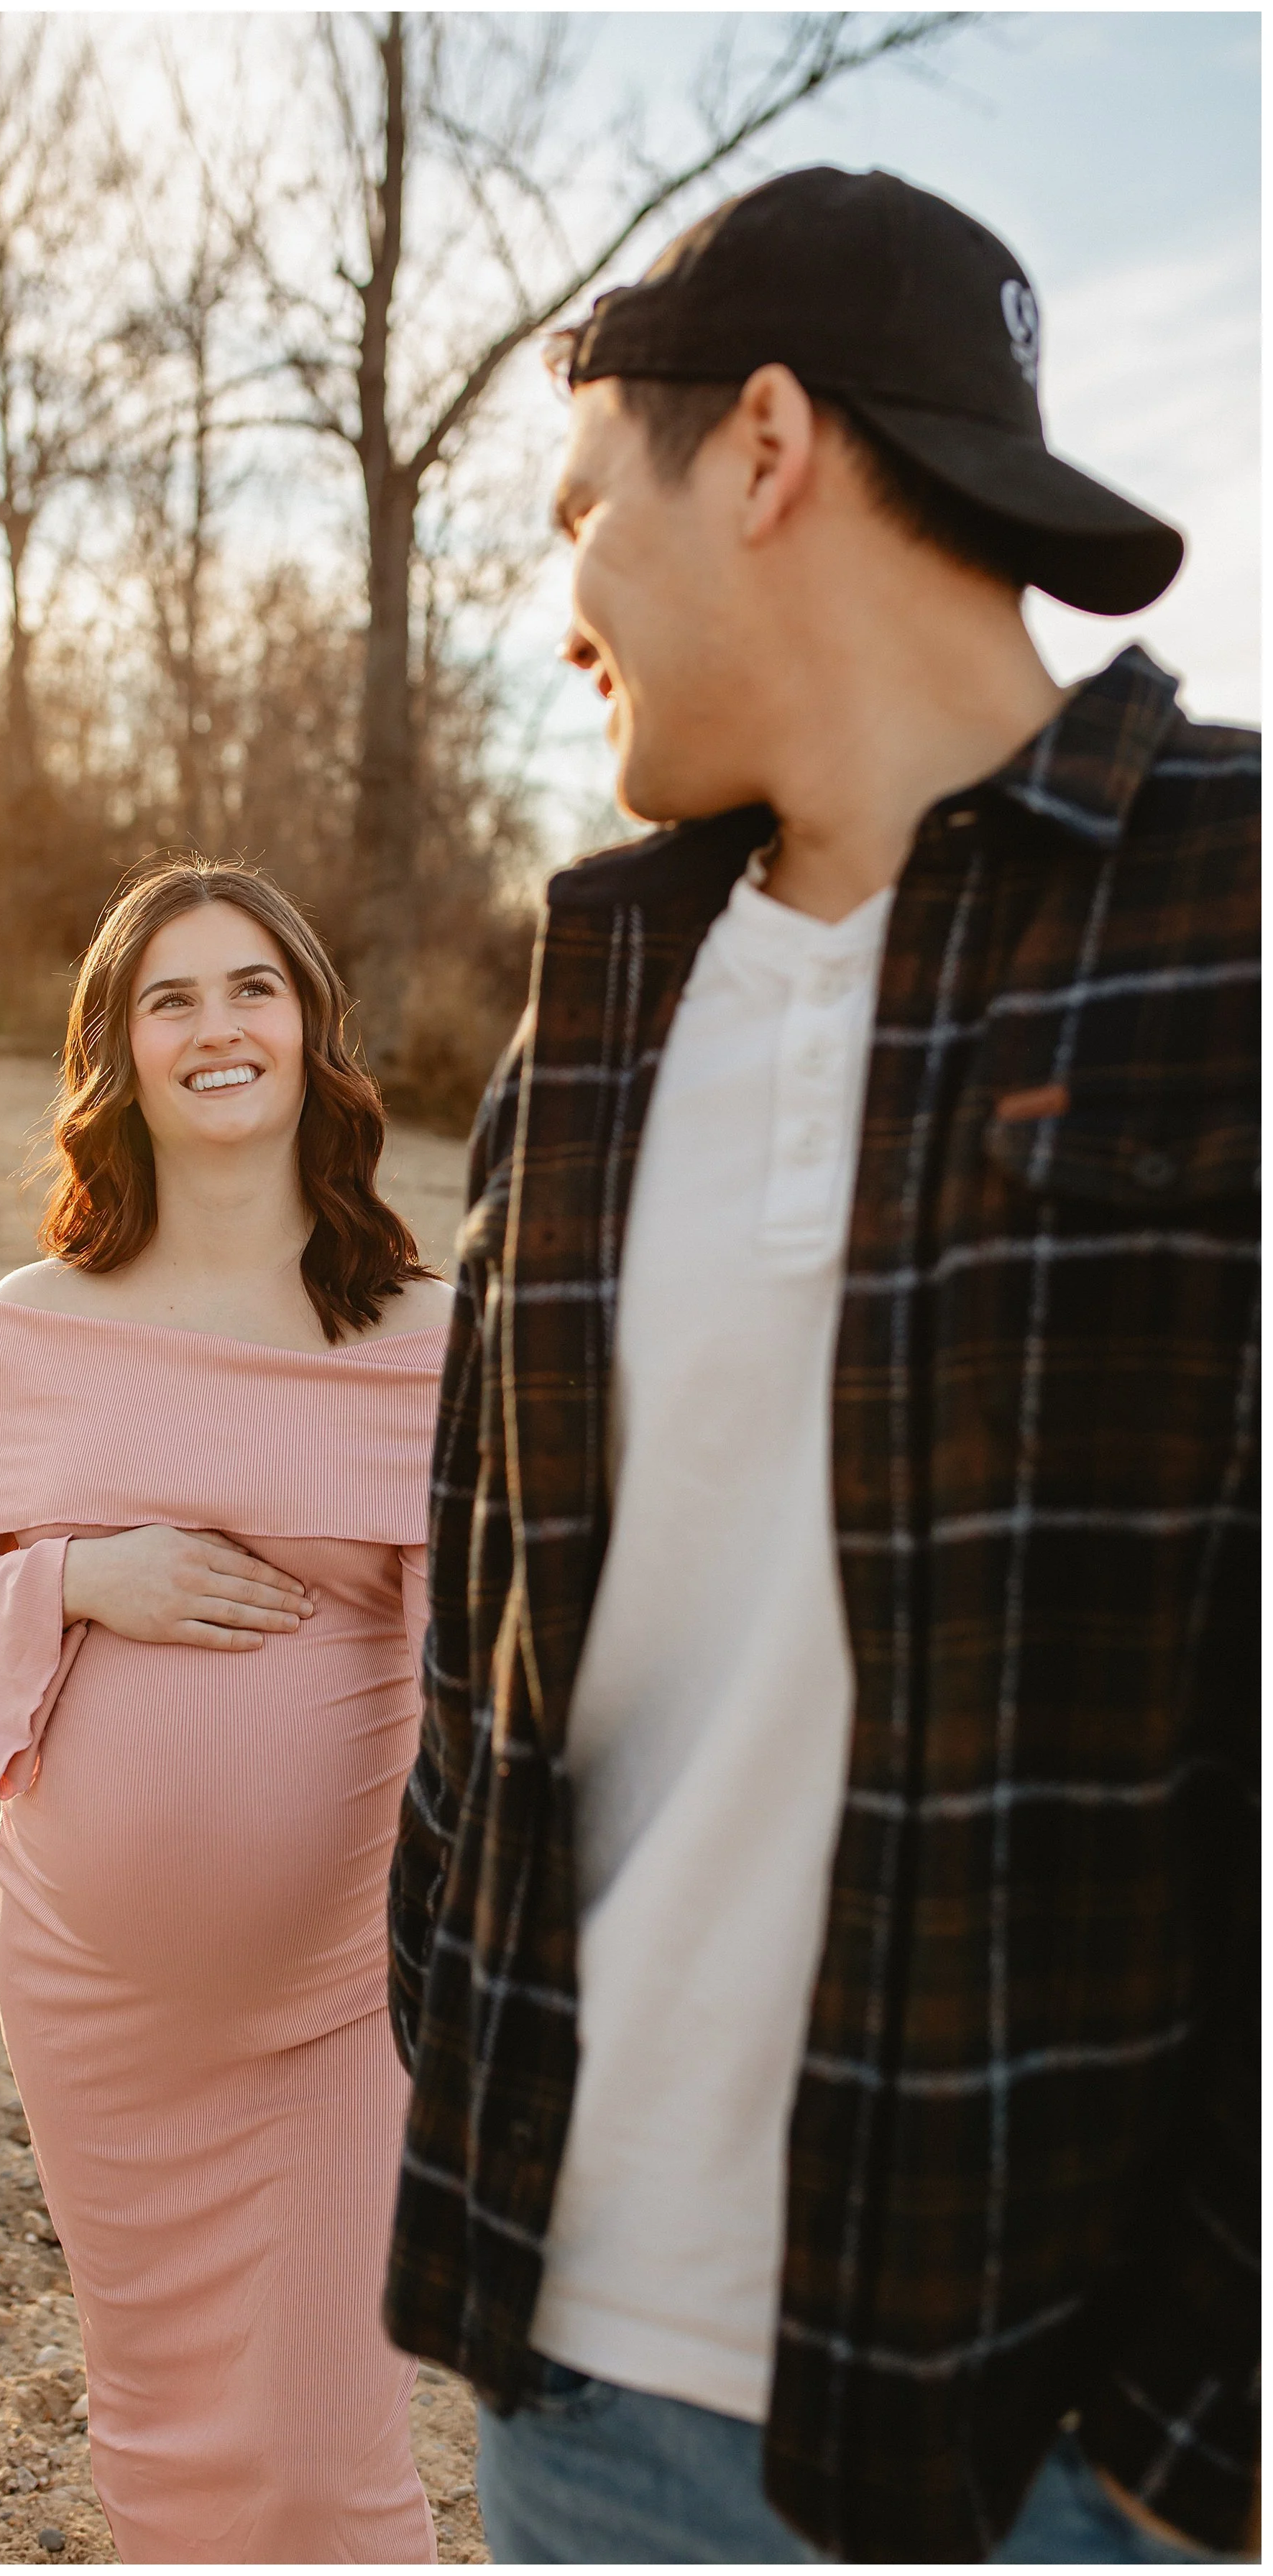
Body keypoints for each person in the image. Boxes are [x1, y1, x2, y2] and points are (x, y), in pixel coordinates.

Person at [385, 165, 1257, 2565]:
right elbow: (488, 1660)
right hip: (574, 2399)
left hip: (1048, 2456)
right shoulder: (591, 1008)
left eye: (583, 509)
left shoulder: (1240, 919)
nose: (565, 599)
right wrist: (457, 2052)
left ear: (763, 446)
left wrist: (1187, 2440)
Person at [0, 859, 451, 2562]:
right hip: (95, 1995)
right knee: (162, 2429)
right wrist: (79, 1577)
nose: (217, 1024)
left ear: (311, 1029)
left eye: (252, 985)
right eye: (170, 996)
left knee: (328, 2453)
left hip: (348, 1986)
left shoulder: (430, 1338)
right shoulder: (35, 1329)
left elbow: (490, 1675)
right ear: (119, 1052)